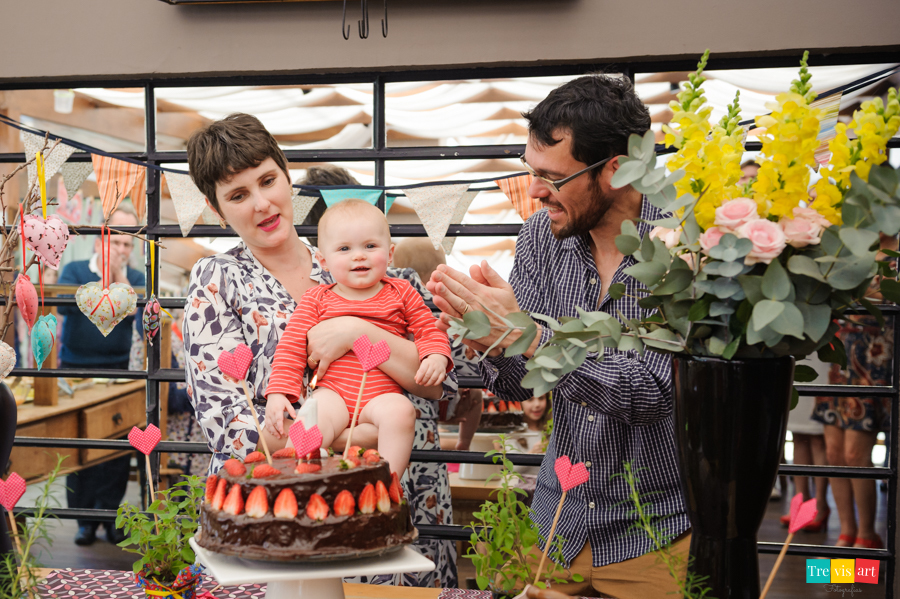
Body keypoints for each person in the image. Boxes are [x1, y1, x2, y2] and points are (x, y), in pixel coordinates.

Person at [426, 75, 690, 598]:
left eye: (552, 176)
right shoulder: (540, 236)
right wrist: (484, 339)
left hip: (656, 530)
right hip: (556, 521)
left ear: (614, 168)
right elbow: (522, 385)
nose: (536, 191)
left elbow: (652, 391)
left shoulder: (686, 238)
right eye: (531, 173)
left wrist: (530, 335)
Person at [182, 113, 458, 587]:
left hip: (390, 514)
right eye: (238, 195)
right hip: (286, 527)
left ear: (287, 174)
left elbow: (437, 387)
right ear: (214, 208)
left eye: (268, 180)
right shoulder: (218, 283)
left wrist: (354, 331)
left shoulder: (356, 252)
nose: (263, 203)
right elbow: (235, 427)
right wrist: (360, 439)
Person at [265, 200, 452, 475]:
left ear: (390, 254)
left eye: (369, 246)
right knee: (309, 420)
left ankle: (387, 484)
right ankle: (304, 480)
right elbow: (291, 346)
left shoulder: (401, 291)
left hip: (381, 395)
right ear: (323, 260)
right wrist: (279, 392)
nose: (358, 256)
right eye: (344, 248)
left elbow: (428, 328)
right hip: (334, 395)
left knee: (401, 412)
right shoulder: (316, 298)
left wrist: (436, 355)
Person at [58, 206, 145, 546]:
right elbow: (64, 307)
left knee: (116, 452)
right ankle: (83, 520)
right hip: (76, 369)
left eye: (127, 244)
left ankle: (110, 516)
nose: (122, 250)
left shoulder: (136, 279)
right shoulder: (75, 271)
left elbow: (138, 321)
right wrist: (101, 282)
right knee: (81, 448)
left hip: (120, 370)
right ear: (99, 242)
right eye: (116, 242)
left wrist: (120, 281)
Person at [392, 237, 484, 451]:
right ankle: (464, 443)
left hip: (380, 413)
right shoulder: (441, 311)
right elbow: (472, 370)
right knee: (476, 392)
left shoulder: (387, 305)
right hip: (425, 426)